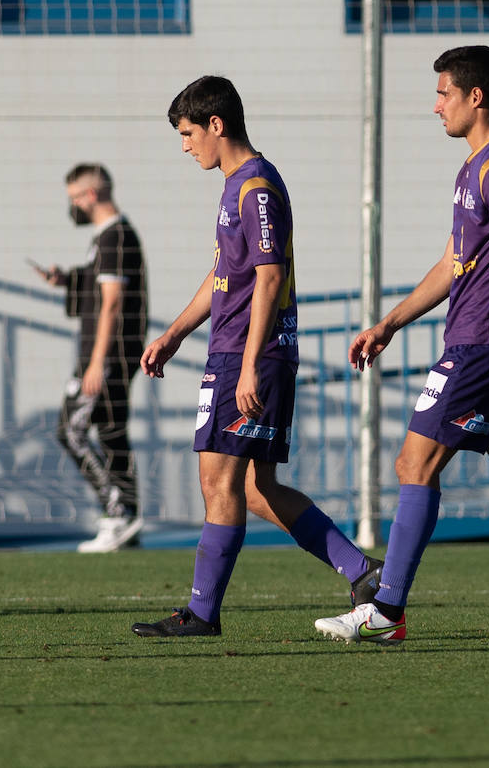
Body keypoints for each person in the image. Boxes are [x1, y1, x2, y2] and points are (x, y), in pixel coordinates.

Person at [314, 45, 489, 647]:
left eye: (443, 93)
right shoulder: (474, 169)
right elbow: (452, 263)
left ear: (475, 97)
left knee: (415, 463)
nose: (435, 106)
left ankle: (386, 611)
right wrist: (390, 323)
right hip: (479, 343)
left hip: (482, 348)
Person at [130, 75, 381, 638]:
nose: (185, 145)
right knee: (252, 487)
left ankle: (201, 613)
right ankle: (362, 572)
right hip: (241, 351)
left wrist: (247, 363)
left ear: (217, 125)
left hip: (249, 356)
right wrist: (173, 333)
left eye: (189, 133)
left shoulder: (257, 187)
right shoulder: (236, 185)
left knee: (218, 481)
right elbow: (228, 275)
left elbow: (269, 277)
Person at [33, 164, 148, 553]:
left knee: (71, 429)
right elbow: (100, 285)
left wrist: (97, 362)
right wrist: (68, 280)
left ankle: (118, 514)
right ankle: (126, 518)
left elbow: (112, 302)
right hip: (108, 354)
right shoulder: (107, 238)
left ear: (90, 196)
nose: (73, 207)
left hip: (106, 355)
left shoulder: (115, 236)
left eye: (74, 199)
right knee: (112, 431)